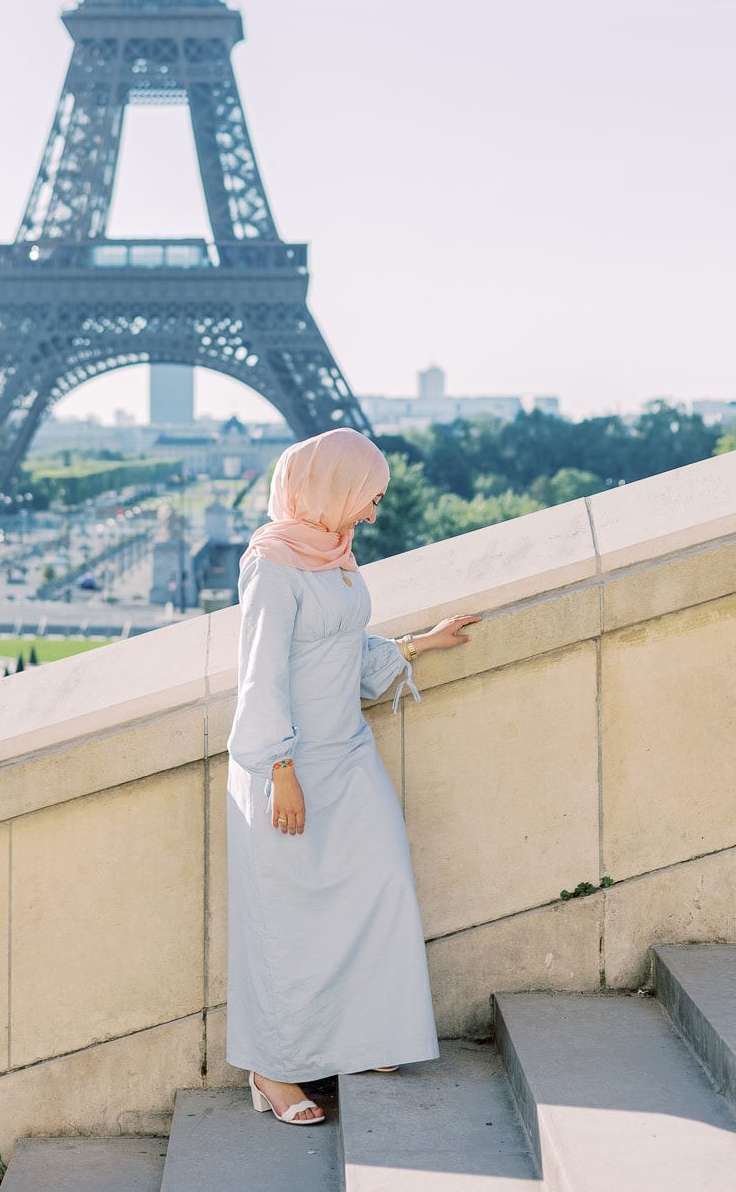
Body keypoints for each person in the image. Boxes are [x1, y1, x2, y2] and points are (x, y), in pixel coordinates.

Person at [225, 428, 479, 1125]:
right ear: (331, 485)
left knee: (383, 885)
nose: (371, 512)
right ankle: (272, 1071)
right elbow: (263, 673)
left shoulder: (334, 555)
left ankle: (363, 1034)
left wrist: (422, 642)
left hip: (348, 752)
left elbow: (340, 650)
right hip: (290, 764)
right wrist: (281, 770)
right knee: (285, 918)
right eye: (367, 497)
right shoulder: (272, 564)